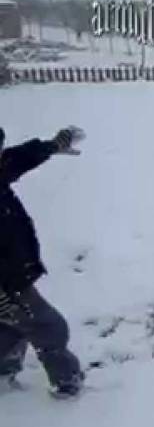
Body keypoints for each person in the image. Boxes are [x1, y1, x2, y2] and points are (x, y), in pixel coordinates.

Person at [0, 125, 86, 398]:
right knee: (48, 326)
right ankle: (67, 383)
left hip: (14, 275)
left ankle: (4, 371)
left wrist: (53, 145)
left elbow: (19, 158)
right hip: (7, 284)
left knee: (12, 325)